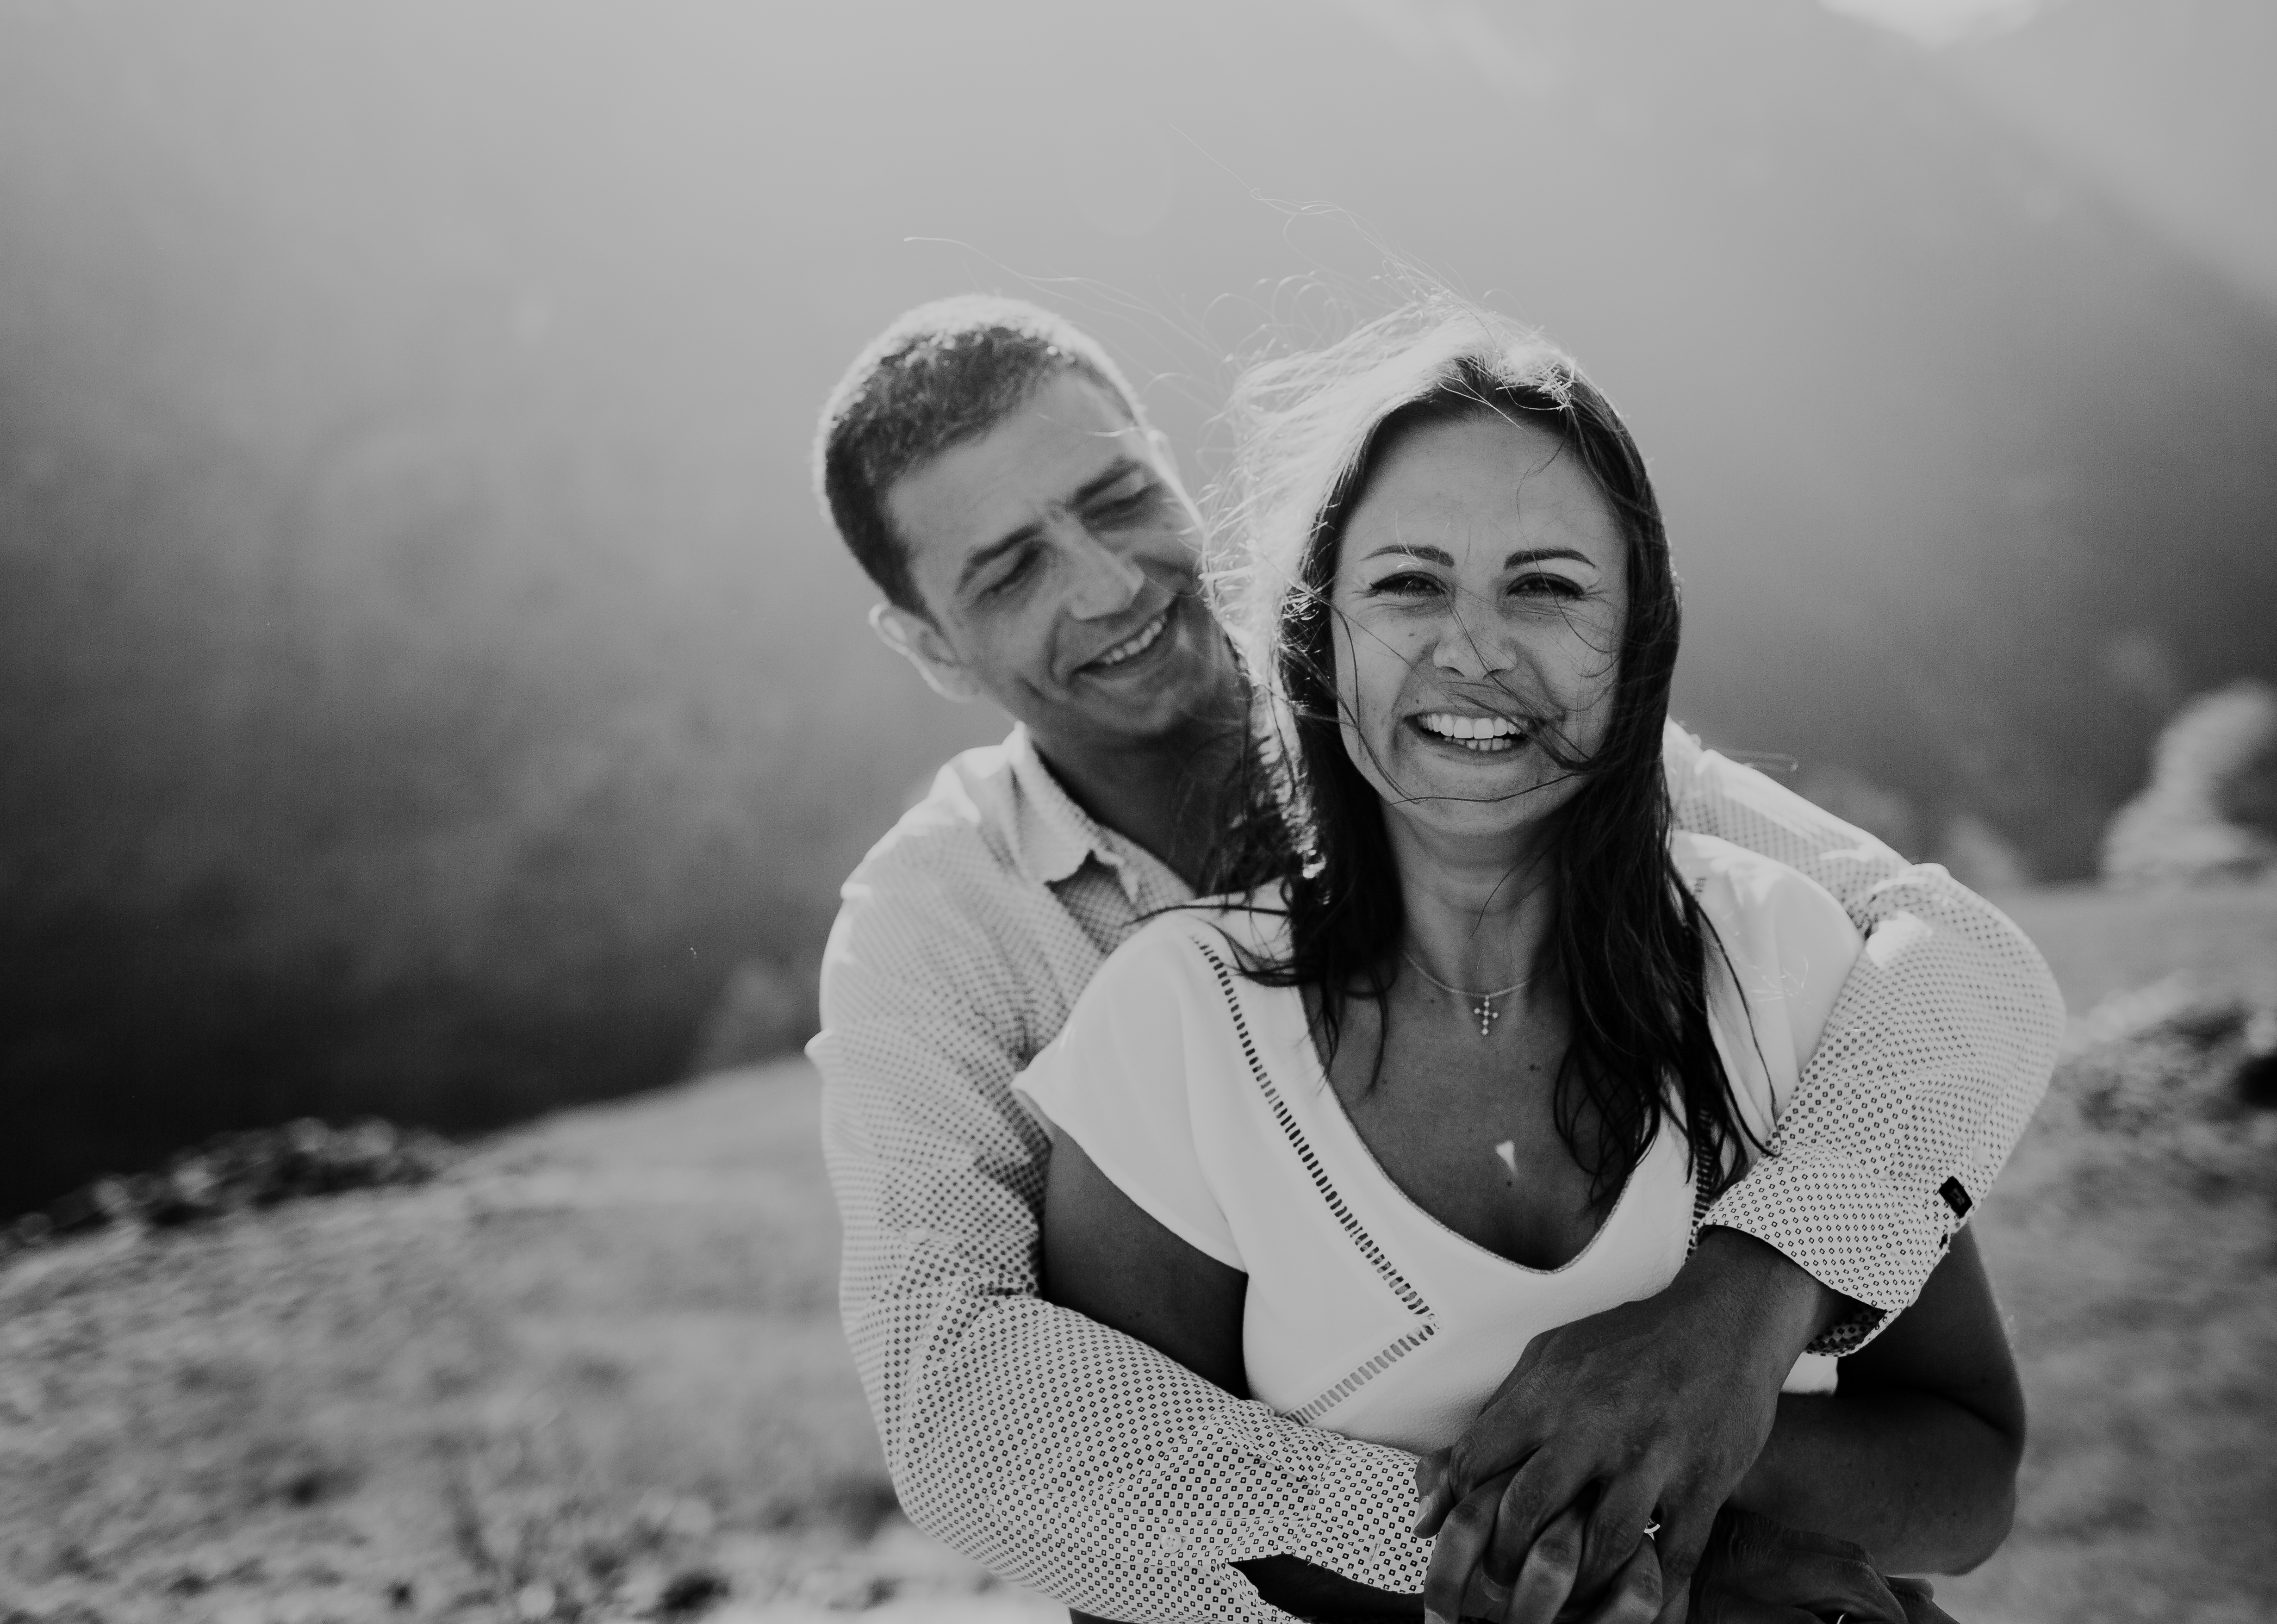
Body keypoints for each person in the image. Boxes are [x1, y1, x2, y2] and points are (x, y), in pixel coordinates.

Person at [805, 294, 2062, 1624]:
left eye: (1117, 498)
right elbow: (959, 1407)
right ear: (931, 644)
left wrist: (1742, 1303)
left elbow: (1957, 963)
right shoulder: (941, 929)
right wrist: (1589, 1556)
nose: (1108, 584)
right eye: (1009, 572)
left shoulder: (1482, 722)